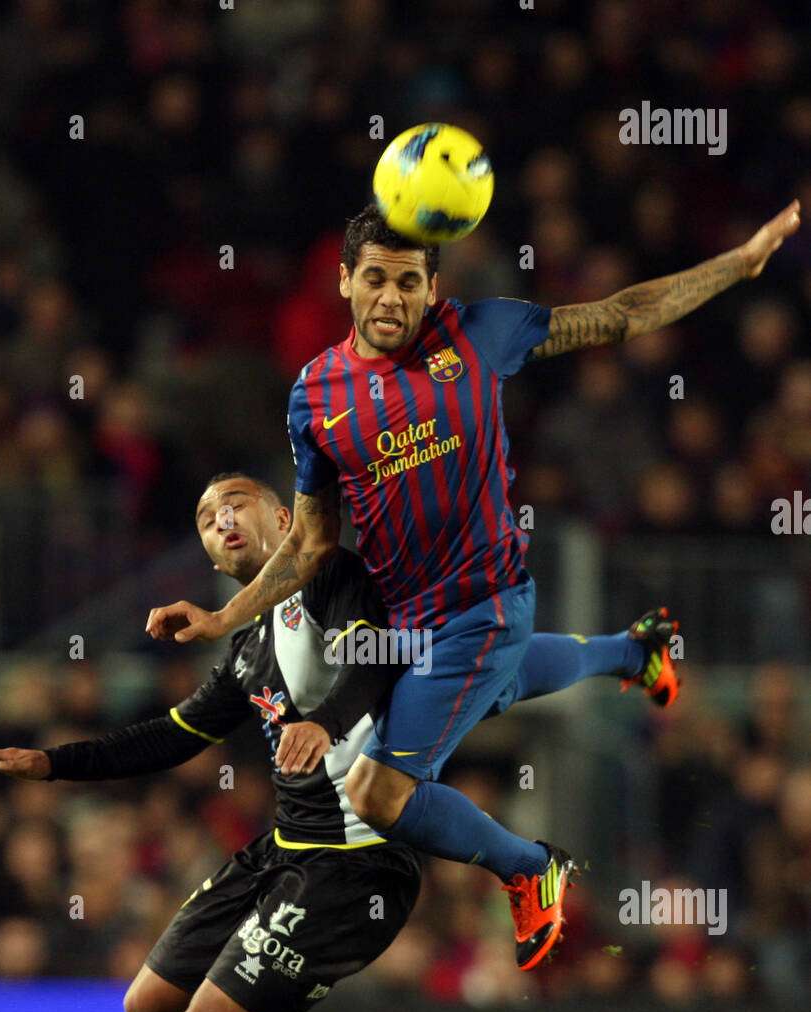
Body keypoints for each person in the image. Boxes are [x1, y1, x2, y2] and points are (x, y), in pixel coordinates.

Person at [0, 473, 676, 1012]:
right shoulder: (248, 648)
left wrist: (324, 723)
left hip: (357, 865)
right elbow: (166, 739)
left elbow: (370, 663)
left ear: (280, 515)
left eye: (236, 503)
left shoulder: (333, 576)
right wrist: (50, 763)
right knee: (150, 1007)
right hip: (282, 851)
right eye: (201, 516)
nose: (220, 519)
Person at [144, 198, 800, 966]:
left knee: (374, 793)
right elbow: (312, 543)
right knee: (501, 686)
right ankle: (635, 652)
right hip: (406, 619)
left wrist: (738, 262)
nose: (393, 297)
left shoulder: (479, 333)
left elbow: (619, 315)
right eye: (377, 279)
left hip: (484, 604)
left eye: (410, 282)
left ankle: (532, 868)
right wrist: (227, 621)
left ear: (432, 288)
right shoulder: (315, 395)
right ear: (347, 283)